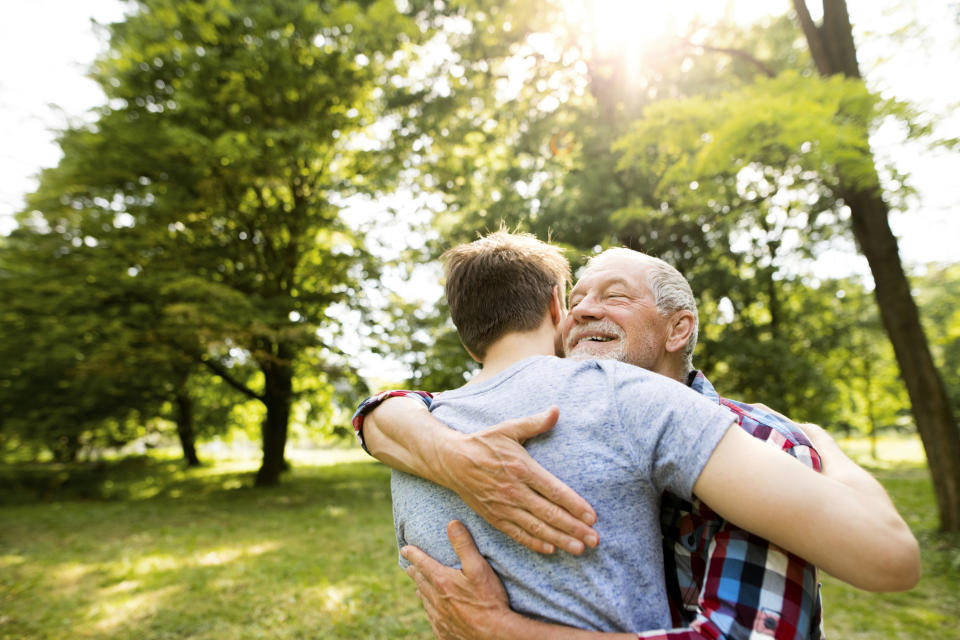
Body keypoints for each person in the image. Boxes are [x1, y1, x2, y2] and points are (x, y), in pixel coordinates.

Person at [354, 235, 920, 638]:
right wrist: (449, 454)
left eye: (615, 296)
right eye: (575, 300)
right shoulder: (448, 425)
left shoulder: (758, 439)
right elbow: (388, 413)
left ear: (679, 328)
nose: (585, 311)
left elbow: (879, 566)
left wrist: (506, 631)